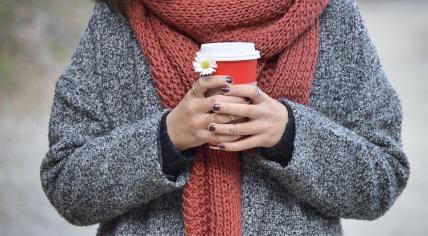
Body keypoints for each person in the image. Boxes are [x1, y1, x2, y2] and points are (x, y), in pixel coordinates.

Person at [40, 0, 410, 235]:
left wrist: (290, 134)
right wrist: (166, 138)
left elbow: (383, 178)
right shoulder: (119, 18)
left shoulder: (332, 15)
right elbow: (67, 187)